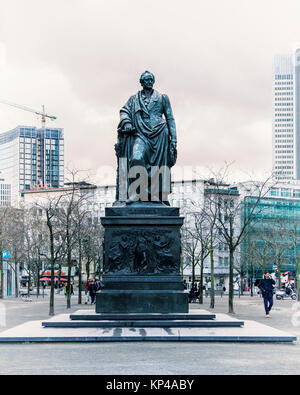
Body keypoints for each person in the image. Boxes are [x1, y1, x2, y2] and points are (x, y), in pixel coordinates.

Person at [115, 71, 177, 204]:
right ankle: (137, 192)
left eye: (151, 79)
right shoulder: (134, 99)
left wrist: (174, 139)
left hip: (160, 133)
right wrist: (127, 122)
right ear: (141, 82)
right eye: (146, 80)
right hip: (140, 133)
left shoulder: (162, 98)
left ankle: (155, 194)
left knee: (158, 165)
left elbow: (170, 118)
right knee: (136, 158)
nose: (149, 82)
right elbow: (124, 111)